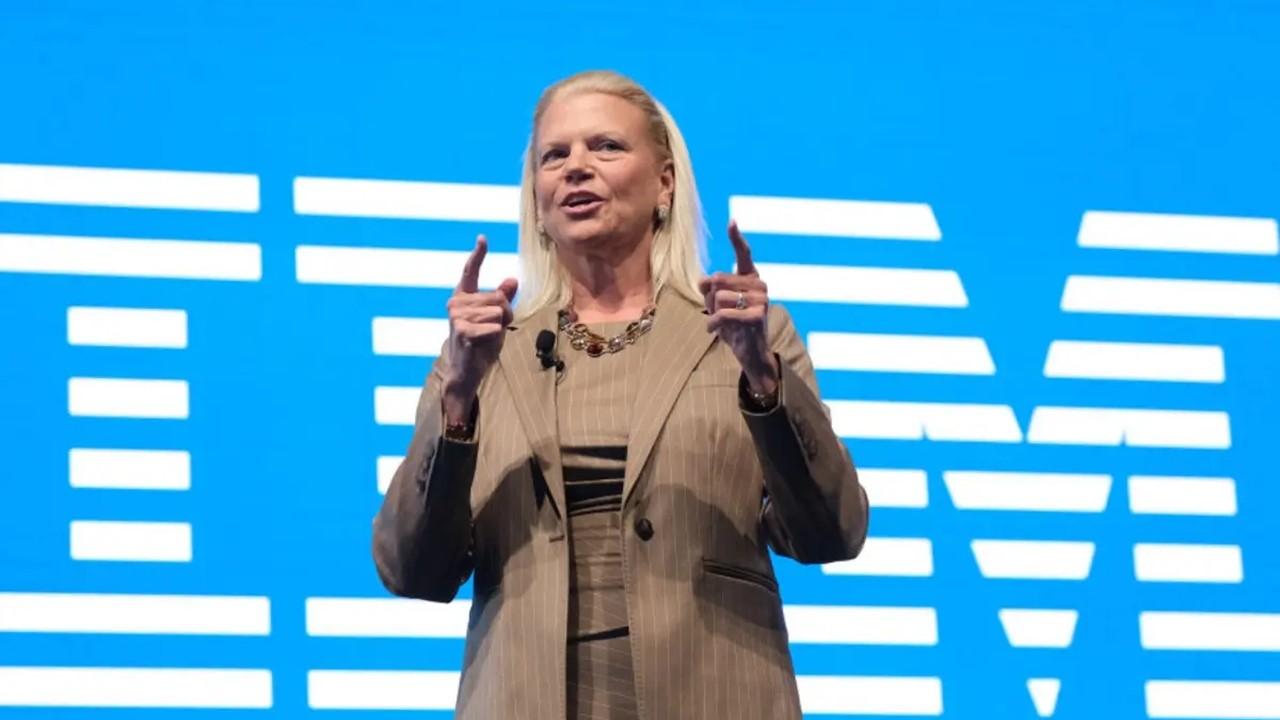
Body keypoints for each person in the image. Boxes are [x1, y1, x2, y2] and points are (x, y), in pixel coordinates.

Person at [373, 70, 868, 720]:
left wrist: (765, 383)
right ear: (538, 200)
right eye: (556, 155)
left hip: (714, 691)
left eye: (605, 147)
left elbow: (832, 532)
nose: (576, 168)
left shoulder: (746, 333)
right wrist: (459, 403)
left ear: (665, 183)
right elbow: (413, 569)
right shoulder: (486, 349)